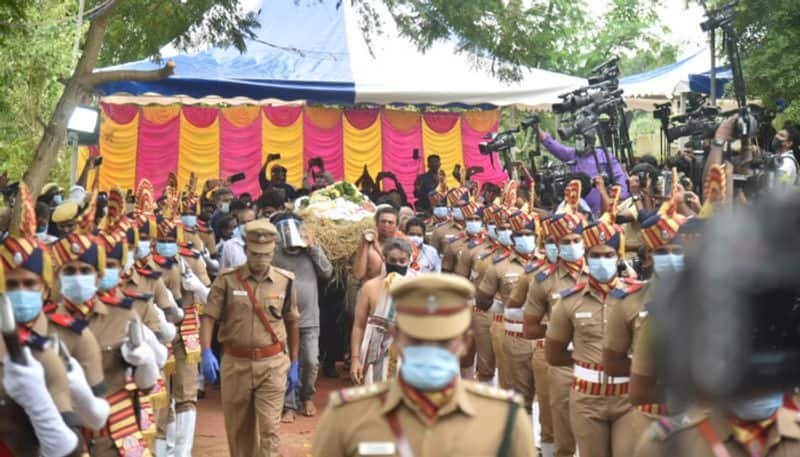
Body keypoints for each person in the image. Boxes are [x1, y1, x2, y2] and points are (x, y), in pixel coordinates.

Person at [313, 273, 536, 457]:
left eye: (443, 341)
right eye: (417, 339)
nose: (430, 350)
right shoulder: (348, 417)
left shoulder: (505, 422)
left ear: (465, 343)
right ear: (396, 338)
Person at [545, 213, 650, 457]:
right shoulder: (569, 301)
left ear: (618, 257)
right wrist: (588, 364)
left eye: (608, 255)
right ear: (587, 258)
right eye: (595, 256)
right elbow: (553, 354)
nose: (602, 261)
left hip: (628, 398)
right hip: (587, 400)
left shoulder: (638, 297)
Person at [201, 219, 300, 457]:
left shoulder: (285, 281)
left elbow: (292, 320)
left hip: (272, 364)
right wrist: (206, 351)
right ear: (246, 250)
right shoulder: (227, 280)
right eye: (255, 254)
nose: (260, 259)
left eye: (266, 254)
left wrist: (295, 361)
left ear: (273, 250)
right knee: (239, 431)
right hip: (236, 364)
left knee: (270, 429)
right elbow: (209, 317)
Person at [271, 213, 333, 423]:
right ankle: (289, 404)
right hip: (281, 319)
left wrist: (313, 247)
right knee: (286, 362)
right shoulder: (274, 254)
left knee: (310, 360)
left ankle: (307, 396)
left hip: (309, 319)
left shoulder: (310, 251)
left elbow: (327, 272)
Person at [350, 238, 414, 385]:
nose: (397, 265)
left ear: (409, 261)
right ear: (385, 260)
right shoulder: (370, 287)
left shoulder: (418, 287)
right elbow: (359, 326)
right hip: (373, 352)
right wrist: (355, 359)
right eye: (392, 260)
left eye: (402, 261)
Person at [539, 128, 629, 217]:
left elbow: (619, 176)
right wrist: (537, 128)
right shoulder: (572, 154)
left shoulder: (603, 155)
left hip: (601, 209)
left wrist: (621, 196)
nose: (578, 142)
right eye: (576, 139)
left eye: (580, 139)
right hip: (579, 210)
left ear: (589, 140)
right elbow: (552, 145)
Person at [352, 206, 400, 282]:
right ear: (377, 224)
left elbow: (394, 271)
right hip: (369, 290)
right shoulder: (368, 244)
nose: (386, 225)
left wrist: (376, 245)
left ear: (397, 227)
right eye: (383, 221)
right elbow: (358, 275)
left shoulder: (401, 246)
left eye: (390, 222)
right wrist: (364, 244)